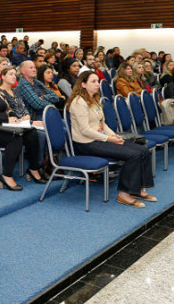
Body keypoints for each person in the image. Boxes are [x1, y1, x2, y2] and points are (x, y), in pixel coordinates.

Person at [66, 72, 156, 208]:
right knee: (133, 155)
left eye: (97, 81)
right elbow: (85, 130)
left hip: (100, 139)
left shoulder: (94, 99)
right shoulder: (79, 102)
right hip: (87, 144)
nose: (97, 84)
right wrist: (109, 139)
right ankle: (124, 194)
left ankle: (137, 189)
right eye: (93, 81)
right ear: (83, 84)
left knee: (143, 150)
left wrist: (114, 136)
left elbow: (102, 124)